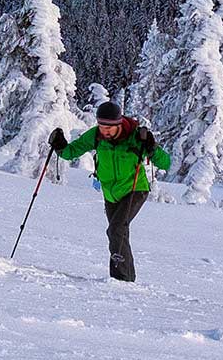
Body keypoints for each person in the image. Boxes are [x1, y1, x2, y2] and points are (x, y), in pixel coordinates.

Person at [50, 101, 170, 282]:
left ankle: (120, 279)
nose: (105, 131)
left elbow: (165, 163)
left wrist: (152, 148)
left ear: (119, 124)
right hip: (110, 194)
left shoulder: (136, 137)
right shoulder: (96, 136)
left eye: (109, 127)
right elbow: (72, 151)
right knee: (119, 233)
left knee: (115, 230)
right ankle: (128, 279)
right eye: (101, 126)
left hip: (135, 189)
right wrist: (59, 146)